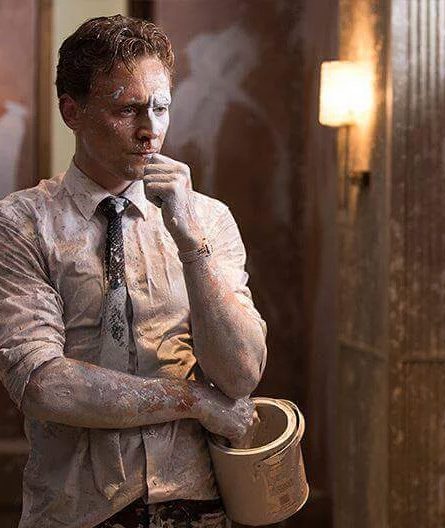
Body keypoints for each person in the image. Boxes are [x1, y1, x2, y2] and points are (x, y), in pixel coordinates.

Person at [0, 14, 267, 528]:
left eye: (160, 108)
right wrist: (191, 399)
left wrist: (191, 243)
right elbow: (42, 383)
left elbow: (240, 374)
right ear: (72, 112)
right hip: (78, 510)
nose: (150, 131)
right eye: (127, 110)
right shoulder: (22, 223)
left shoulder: (208, 218)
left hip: (199, 503)